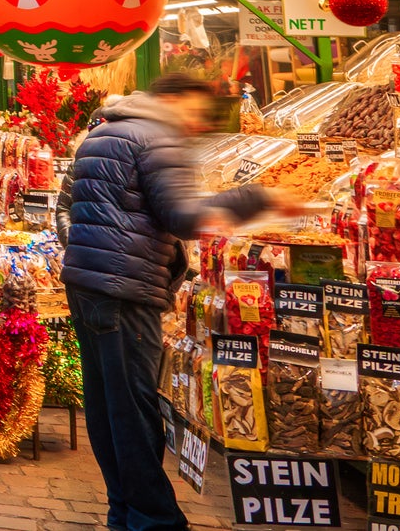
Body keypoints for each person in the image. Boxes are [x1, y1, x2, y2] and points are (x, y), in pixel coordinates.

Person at [64, 72, 291, 531]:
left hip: (88, 284)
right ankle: (154, 519)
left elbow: (71, 207)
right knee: (133, 411)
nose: (197, 123)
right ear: (174, 100)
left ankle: (124, 511)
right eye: (195, 110)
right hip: (126, 288)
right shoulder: (157, 138)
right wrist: (258, 198)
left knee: (109, 407)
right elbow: (183, 218)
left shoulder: (103, 130)